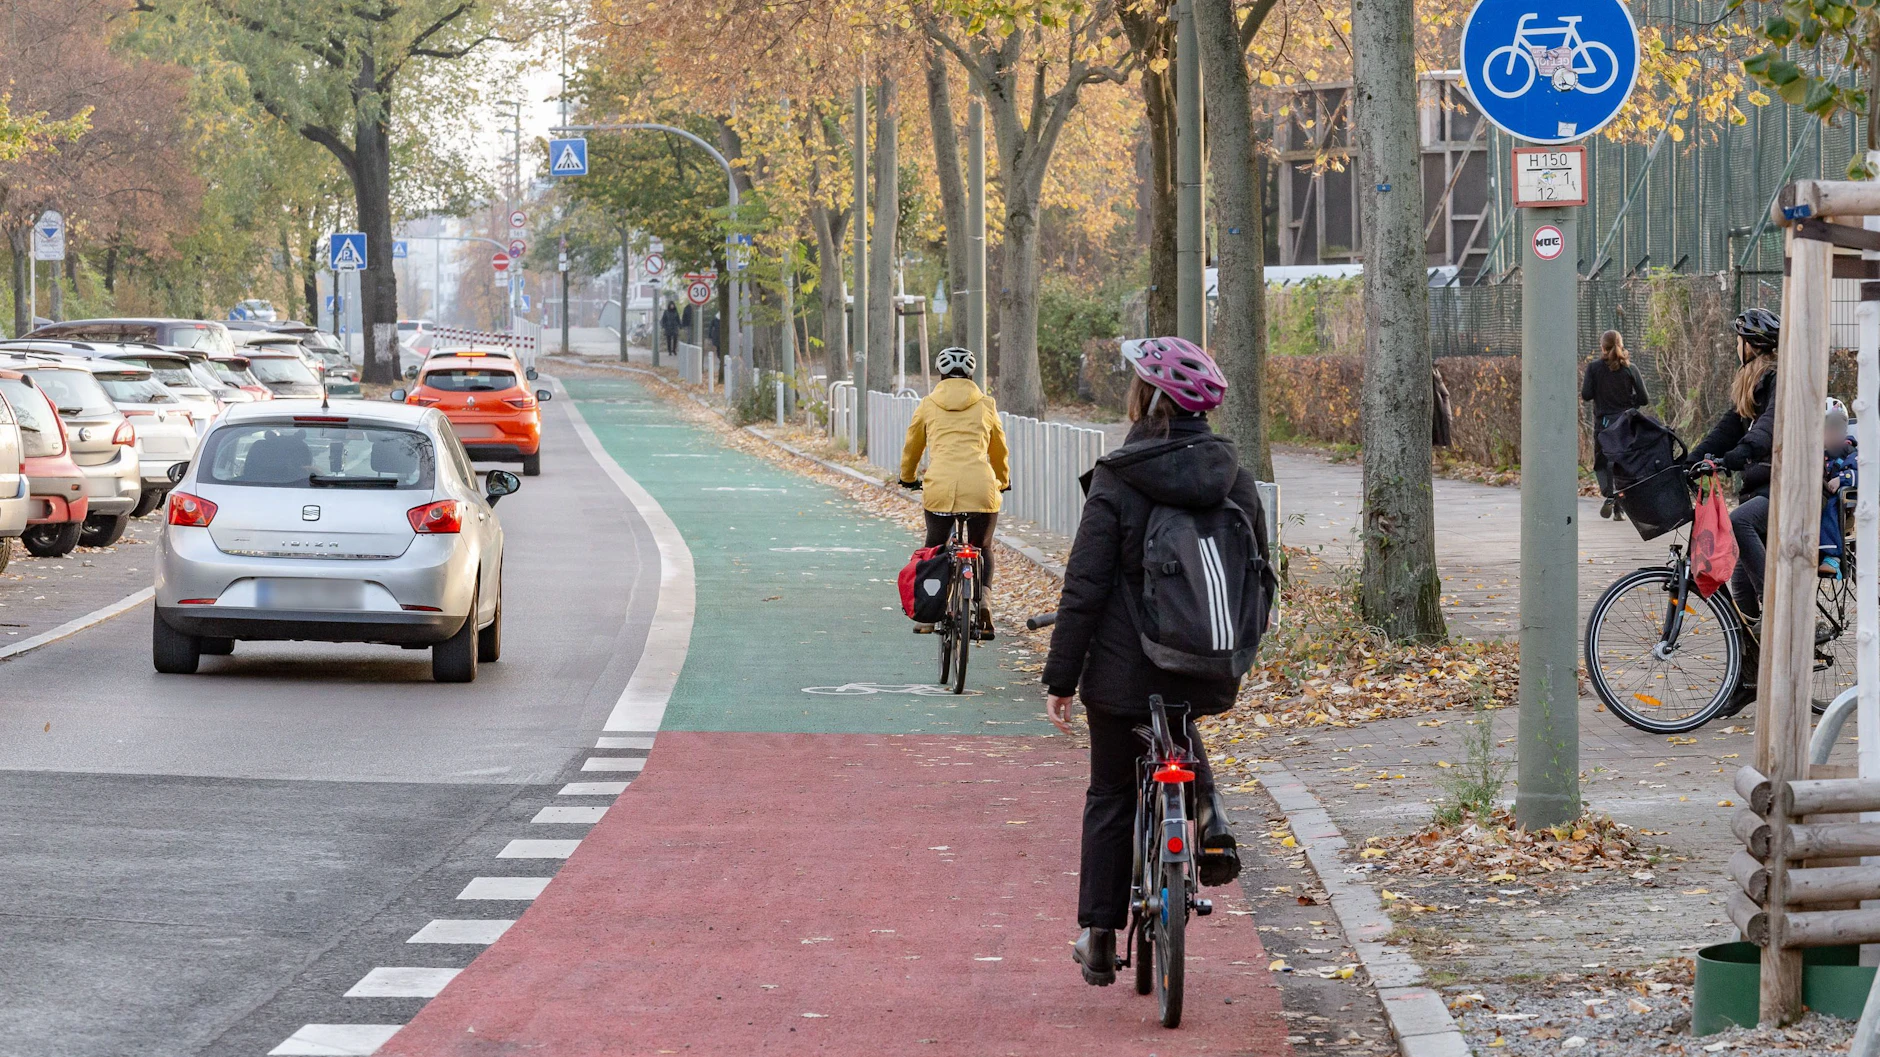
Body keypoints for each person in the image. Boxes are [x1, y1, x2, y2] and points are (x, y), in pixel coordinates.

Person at [1040, 337, 1255, 988]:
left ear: (1148, 398)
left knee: (1109, 790)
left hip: (1120, 672)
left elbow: (1085, 587)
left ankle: (1100, 936)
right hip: (1204, 665)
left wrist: (1061, 678)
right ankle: (1208, 807)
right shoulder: (1234, 477)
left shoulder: (1118, 476)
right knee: (1180, 720)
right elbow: (1260, 577)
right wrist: (1237, 650)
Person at [1689, 307, 1780, 710]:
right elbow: (1725, 430)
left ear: (1751, 345)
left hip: (1791, 488)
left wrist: (1737, 457)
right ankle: (1749, 679)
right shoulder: (1749, 382)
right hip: (1763, 487)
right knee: (1740, 588)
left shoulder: (1779, 380)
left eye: (1738, 341)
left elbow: (1766, 431)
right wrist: (1687, 463)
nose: (1735, 347)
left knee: (1740, 523)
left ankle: (1781, 613)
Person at [899, 347, 1009, 637]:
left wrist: (907, 477)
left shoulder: (928, 404)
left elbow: (913, 446)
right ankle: (984, 600)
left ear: (941, 374)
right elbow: (998, 447)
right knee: (982, 546)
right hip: (980, 488)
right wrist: (1002, 479)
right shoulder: (986, 404)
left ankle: (928, 613)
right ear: (972, 374)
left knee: (934, 546)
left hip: (940, 488)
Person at [1582, 329, 1650, 519]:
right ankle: (1620, 505)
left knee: (1603, 463)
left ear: (1602, 347)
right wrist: (1630, 404)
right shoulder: (1630, 369)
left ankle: (1610, 495)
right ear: (1621, 345)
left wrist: (1600, 392)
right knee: (1622, 463)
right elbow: (1644, 398)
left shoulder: (1594, 368)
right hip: (1626, 423)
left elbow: (1586, 394)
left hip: (1604, 424)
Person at [1822, 397, 1856, 578]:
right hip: (1817, 497)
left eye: (1839, 428)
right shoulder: (1815, 452)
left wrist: (1841, 479)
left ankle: (1832, 556)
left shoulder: (1849, 451)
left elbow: (1860, 473)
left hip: (1840, 504)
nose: (1834, 433)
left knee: (1828, 506)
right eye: (1829, 428)